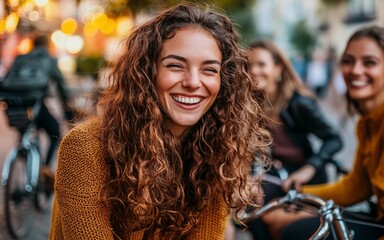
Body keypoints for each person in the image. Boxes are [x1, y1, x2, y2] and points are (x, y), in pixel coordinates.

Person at [49, 3, 271, 239]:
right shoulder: (86, 146)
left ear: (223, 82)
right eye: (175, 65)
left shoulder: (218, 151)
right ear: (147, 72)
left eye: (209, 69)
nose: (193, 82)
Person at [264, 26, 384, 240]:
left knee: (290, 232)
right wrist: (300, 193)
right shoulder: (368, 122)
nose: (355, 70)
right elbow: (358, 186)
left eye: (369, 62)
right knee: (275, 218)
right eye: (349, 61)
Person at [246, 40, 343, 239]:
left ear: (278, 68)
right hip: (273, 173)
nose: (254, 71)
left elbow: (334, 139)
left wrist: (309, 169)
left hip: (303, 176)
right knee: (250, 209)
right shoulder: (249, 103)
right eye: (248, 65)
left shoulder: (299, 103)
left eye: (261, 64)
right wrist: (251, 177)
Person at [4, 34, 72, 186]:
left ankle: (23, 148)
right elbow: (60, 85)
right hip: (36, 105)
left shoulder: (20, 58)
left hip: (15, 105)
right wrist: (67, 109)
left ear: (33, 45)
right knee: (55, 132)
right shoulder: (49, 59)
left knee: (26, 131)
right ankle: (45, 171)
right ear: (46, 45)